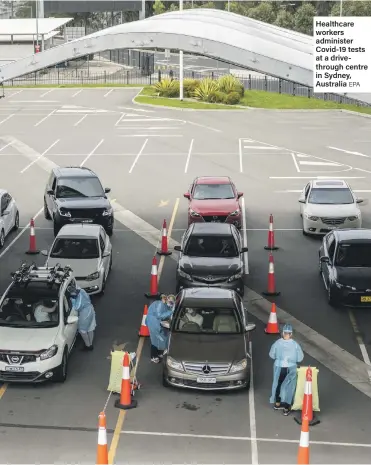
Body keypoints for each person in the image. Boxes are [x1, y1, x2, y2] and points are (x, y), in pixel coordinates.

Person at [269, 324, 304, 416]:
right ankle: (286, 407)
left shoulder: (277, 343)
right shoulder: (295, 345)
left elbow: (271, 355)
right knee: (289, 386)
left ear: (282, 333)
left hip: (279, 366)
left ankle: (277, 403)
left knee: (278, 384)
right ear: (291, 334)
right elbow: (300, 358)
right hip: (291, 367)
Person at [146, 295, 174, 364]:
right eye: (170, 302)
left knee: (158, 339)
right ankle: (153, 357)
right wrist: (171, 312)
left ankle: (158, 354)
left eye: (172, 303)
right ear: (167, 299)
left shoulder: (163, 305)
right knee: (155, 340)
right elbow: (159, 315)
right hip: (153, 323)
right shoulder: (160, 304)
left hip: (155, 323)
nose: (171, 304)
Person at [69, 283, 96, 351]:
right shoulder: (82, 291)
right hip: (90, 309)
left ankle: (88, 346)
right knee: (90, 328)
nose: (73, 295)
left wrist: (72, 300)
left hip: (85, 313)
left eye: (73, 294)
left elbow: (77, 307)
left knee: (82, 330)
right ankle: (90, 344)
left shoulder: (79, 298)